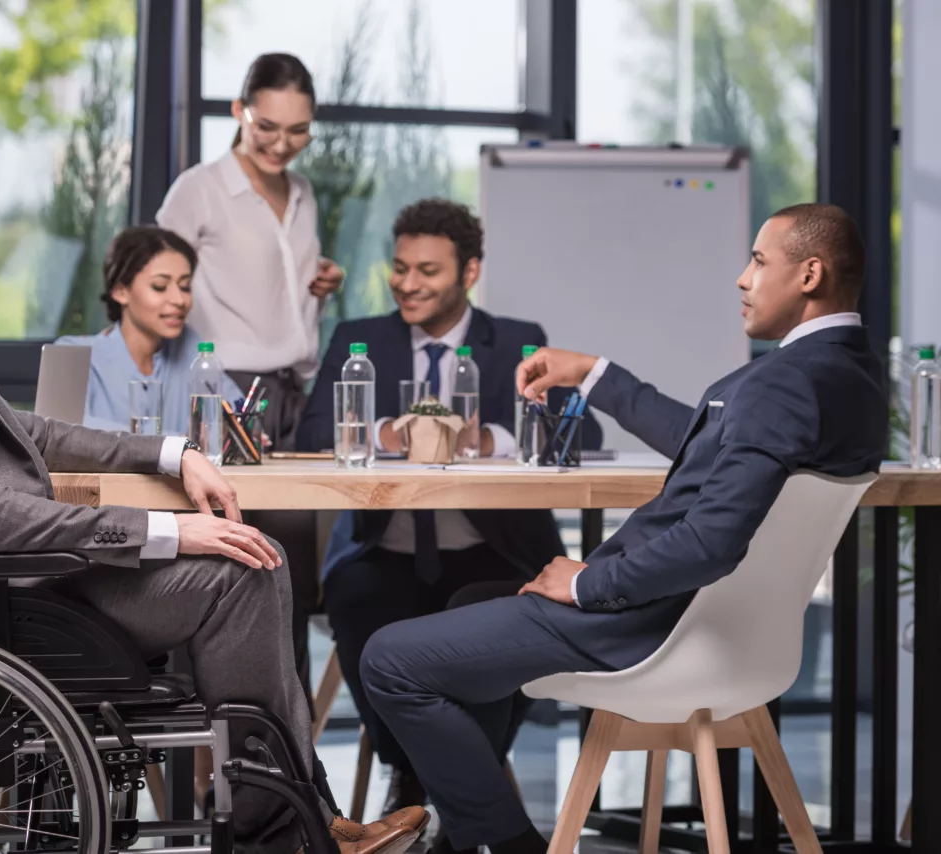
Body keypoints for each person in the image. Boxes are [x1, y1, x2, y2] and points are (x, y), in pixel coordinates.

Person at [0, 124, 428, 854]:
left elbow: (31, 435)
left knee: (250, 562)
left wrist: (172, 452)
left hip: (10, 591)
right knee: (246, 568)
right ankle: (289, 831)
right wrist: (167, 531)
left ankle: (293, 821)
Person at [359, 203, 888, 854]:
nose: (742, 279)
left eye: (757, 260)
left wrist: (587, 583)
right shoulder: (852, 376)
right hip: (718, 631)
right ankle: (473, 830)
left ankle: (507, 843)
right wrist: (594, 373)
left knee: (389, 661)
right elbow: (703, 443)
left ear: (809, 275)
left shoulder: (781, 385)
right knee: (474, 603)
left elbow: (708, 545)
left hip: (644, 622)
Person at [294, 199, 602, 823]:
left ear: (469, 273)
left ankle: (439, 789)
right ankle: (413, 777)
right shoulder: (364, 339)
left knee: (506, 613)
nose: (408, 284)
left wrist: (493, 440)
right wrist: (386, 432)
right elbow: (310, 432)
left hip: (494, 550)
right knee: (358, 603)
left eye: (427, 271)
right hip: (383, 551)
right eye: (400, 268)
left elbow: (584, 433)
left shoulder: (516, 340)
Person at [157, 52, 341, 715]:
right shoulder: (199, 189)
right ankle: (232, 759)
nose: (281, 144)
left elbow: (277, 297)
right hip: (229, 395)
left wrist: (318, 284)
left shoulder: (303, 194)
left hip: (294, 390)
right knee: (241, 571)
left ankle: (282, 768)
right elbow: (157, 281)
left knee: (286, 577)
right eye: (267, 126)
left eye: (298, 131)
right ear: (240, 111)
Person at [53, 225, 244, 435]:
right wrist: (173, 443)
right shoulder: (71, 354)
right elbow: (60, 431)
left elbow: (240, 415)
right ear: (120, 292)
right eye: (160, 287)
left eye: (185, 287)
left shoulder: (191, 351)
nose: (179, 300)